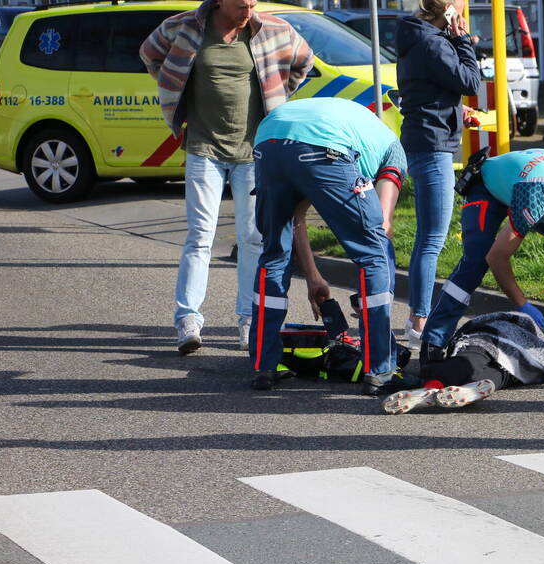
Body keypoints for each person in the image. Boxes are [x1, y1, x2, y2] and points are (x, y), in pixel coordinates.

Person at [141, 0, 313, 355]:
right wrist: (172, 84)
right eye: (240, 3)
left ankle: (248, 321)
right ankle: (188, 320)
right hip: (203, 148)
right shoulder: (185, 27)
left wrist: (279, 92)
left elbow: (304, 60)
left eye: (252, 3)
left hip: (253, 152)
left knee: (252, 237)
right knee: (200, 236)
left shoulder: (273, 29)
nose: (248, 9)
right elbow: (149, 54)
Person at [247, 98, 415, 395]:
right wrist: (368, 300)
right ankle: (381, 370)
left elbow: (295, 216)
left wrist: (313, 277)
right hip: (323, 145)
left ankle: (264, 364)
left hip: (268, 141)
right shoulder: (394, 150)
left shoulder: (357, 126)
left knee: (273, 254)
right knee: (374, 254)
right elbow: (382, 228)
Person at [419, 148, 544, 360]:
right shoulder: (535, 197)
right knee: (477, 258)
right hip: (489, 188)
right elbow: (497, 257)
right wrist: (523, 305)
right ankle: (434, 340)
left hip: (543, 193)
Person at [396, 0, 481, 344]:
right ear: (447, 11)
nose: (463, 13)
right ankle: (419, 323)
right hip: (433, 145)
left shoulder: (418, 36)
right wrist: (463, 42)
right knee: (431, 239)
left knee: (427, 238)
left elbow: (433, 87)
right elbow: (471, 81)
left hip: (425, 136)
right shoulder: (432, 42)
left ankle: (419, 317)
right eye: (459, 7)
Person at [383, 311, 544, 414]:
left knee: (475, 353)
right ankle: (476, 388)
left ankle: (432, 386)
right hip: (517, 345)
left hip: (497, 333)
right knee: (504, 371)